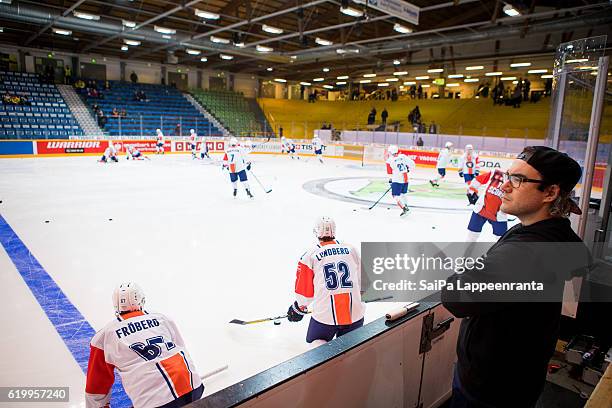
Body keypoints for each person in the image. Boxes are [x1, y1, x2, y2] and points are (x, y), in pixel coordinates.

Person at [441, 146, 589, 408]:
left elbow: (455, 296)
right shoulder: (549, 234)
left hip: (490, 388)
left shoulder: (529, 251)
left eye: (518, 179)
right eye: (509, 176)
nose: (505, 187)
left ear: (551, 192)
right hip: (515, 378)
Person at [85, 283, 203, 408]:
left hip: (154, 402)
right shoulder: (162, 318)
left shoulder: (104, 336)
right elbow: (181, 348)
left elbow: (96, 389)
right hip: (194, 387)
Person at [287, 217, 365, 345]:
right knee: (350, 348)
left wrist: (298, 307)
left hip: (325, 316)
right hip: (355, 314)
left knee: (316, 344)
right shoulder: (351, 249)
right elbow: (364, 282)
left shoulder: (309, 255)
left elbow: (305, 294)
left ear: (316, 232)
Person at [465, 169, 508, 241]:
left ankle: (500, 252)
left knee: (501, 239)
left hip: (499, 215)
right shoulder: (495, 173)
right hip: (480, 209)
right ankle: (466, 252)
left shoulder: (518, 182)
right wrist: (471, 191)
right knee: (472, 235)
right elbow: (478, 179)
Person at [386, 144, 415, 217]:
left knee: (395, 195)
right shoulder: (403, 156)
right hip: (405, 179)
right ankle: (406, 206)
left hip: (397, 180)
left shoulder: (389, 160)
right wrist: (408, 169)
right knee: (403, 194)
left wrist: (390, 181)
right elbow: (412, 164)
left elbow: (389, 173)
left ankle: (404, 209)